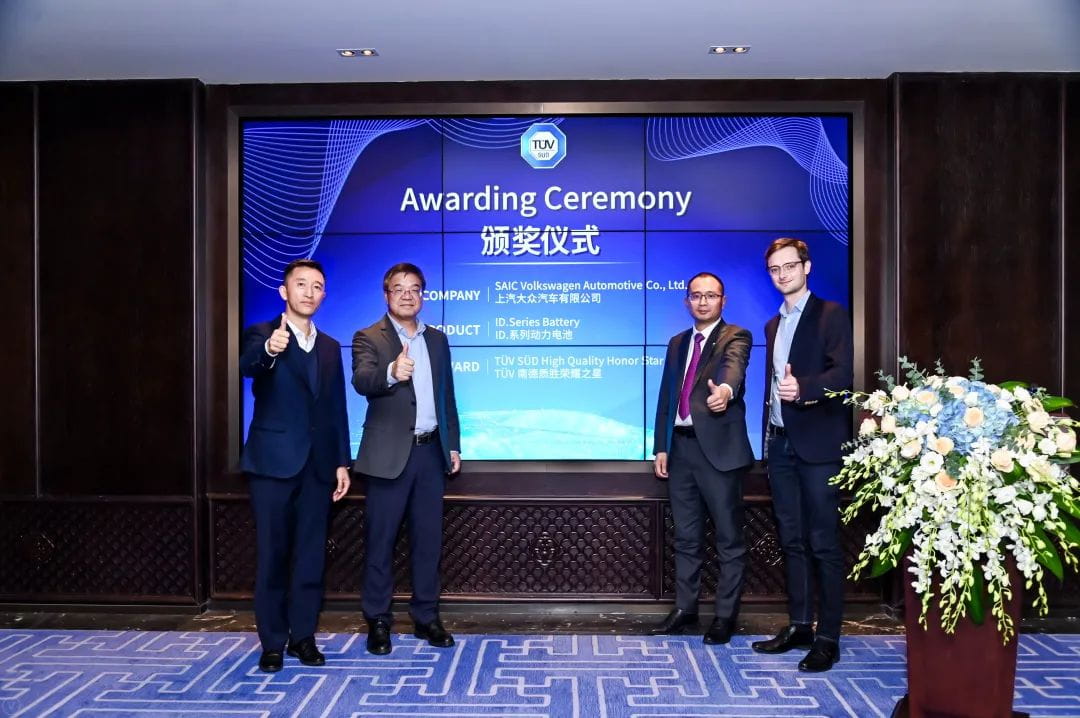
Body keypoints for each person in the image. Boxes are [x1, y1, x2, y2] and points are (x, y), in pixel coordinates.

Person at [239, 258, 352, 673]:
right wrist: (270, 350)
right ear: (284, 292)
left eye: (317, 286)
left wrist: (342, 462)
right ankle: (272, 642)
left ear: (323, 295)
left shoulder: (330, 347)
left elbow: (336, 408)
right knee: (272, 555)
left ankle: (303, 637)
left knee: (309, 556)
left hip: (318, 467)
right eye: (301, 284)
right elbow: (248, 365)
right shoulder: (262, 334)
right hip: (272, 464)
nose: (309, 292)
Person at [751, 237, 853, 672]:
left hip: (818, 445)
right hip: (780, 443)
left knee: (823, 542)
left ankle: (828, 637)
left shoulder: (831, 314)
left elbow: (844, 373)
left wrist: (805, 389)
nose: (782, 274)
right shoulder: (773, 325)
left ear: (806, 267)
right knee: (791, 540)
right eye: (775, 269)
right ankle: (799, 626)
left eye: (789, 266)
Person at [352, 262, 461, 656]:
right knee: (380, 543)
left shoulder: (438, 340)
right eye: (398, 288)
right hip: (388, 458)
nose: (407, 295)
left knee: (428, 542)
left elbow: (447, 395)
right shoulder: (368, 337)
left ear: (423, 296)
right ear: (386, 295)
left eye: (414, 289)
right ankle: (378, 621)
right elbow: (362, 381)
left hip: (430, 454)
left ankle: (426, 617)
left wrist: (452, 444)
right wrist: (392, 372)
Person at [651, 272, 754, 644]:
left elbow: (733, 370)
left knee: (729, 539)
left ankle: (725, 616)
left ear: (723, 301)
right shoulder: (677, 343)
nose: (703, 302)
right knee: (686, 537)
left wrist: (724, 391)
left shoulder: (736, 336)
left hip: (719, 453)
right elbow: (667, 396)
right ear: (687, 301)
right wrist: (661, 446)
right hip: (680, 450)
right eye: (696, 296)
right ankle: (685, 609)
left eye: (711, 296)